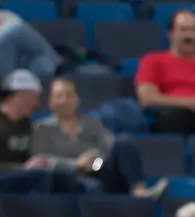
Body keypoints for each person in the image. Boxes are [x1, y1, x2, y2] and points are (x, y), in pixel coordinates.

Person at [31, 76, 161, 196]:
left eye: (70, 95)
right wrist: (75, 164)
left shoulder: (92, 124)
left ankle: (139, 192)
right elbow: (41, 161)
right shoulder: (42, 127)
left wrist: (93, 161)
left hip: (95, 169)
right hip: (64, 176)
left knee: (123, 143)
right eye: (59, 96)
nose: (65, 100)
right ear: (50, 101)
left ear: (77, 100)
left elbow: (104, 150)